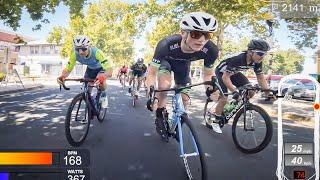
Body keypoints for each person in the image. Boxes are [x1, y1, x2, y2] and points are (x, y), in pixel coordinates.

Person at [146, 12, 219, 136]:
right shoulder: (165, 44)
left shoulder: (211, 50)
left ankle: (178, 121)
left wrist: (211, 90)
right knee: (164, 85)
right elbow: (152, 73)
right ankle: (160, 114)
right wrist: (151, 94)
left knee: (185, 99)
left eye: (207, 35)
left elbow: (208, 75)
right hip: (166, 62)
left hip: (183, 65)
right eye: (196, 34)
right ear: (183, 33)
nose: (201, 40)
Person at [208, 39, 273, 133]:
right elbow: (225, 77)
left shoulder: (257, 62)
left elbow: (260, 77)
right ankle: (216, 121)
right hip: (222, 73)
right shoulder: (238, 59)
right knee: (224, 97)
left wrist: (268, 93)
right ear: (250, 52)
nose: (262, 57)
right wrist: (234, 92)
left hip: (234, 73)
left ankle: (228, 108)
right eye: (260, 53)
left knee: (251, 92)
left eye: (264, 54)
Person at [57, 35, 113, 108]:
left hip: (101, 68)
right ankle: (91, 106)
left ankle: (103, 94)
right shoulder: (74, 54)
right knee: (86, 90)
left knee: (100, 81)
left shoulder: (97, 52)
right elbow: (68, 69)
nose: (80, 52)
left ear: (89, 46)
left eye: (83, 49)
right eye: (77, 49)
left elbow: (109, 70)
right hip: (90, 69)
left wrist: (103, 78)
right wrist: (62, 76)